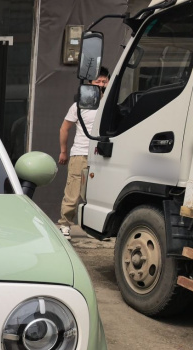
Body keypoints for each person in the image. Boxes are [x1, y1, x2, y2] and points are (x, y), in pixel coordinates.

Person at [57, 66, 110, 240]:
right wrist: (63, 152)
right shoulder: (79, 105)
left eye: (104, 81)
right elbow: (64, 128)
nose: (101, 84)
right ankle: (65, 225)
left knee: (98, 194)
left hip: (103, 154)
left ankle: (96, 228)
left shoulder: (110, 104)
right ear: (89, 83)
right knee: (73, 192)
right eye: (97, 81)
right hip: (80, 153)